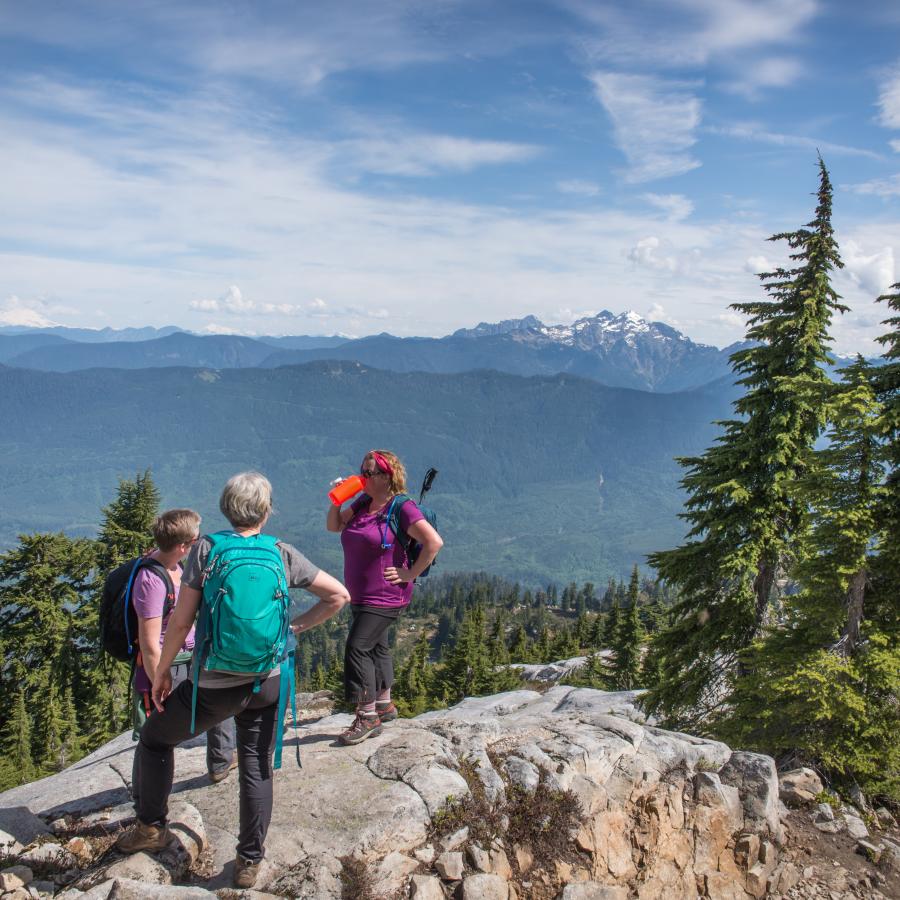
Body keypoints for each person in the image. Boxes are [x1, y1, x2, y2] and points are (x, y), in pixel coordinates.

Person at [116, 472, 350, 889]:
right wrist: (292, 631)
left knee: (154, 739)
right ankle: (248, 862)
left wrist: (163, 671)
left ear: (226, 508)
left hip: (214, 687)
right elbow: (339, 596)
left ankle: (152, 827)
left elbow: (182, 619)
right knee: (257, 767)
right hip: (268, 680)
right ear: (266, 510)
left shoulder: (207, 548)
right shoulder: (281, 552)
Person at [327, 449, 443, 745]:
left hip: (386, 595)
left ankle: (367, 716)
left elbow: (433, 542)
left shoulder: (401, 508)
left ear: (386, 477)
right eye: (361, 471)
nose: (361, 477)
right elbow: (334, 526)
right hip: (362, 594)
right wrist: (337, 500)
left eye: (368, 473)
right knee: (377, 646)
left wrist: (409, 573)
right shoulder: (365, 501)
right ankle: (384, 704)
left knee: (357, 647)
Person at [130, 508, 236, 786]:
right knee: (158, 733)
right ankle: (146, 797)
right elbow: (150, 643)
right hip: (170, 664)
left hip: (193, 655)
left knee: (218, 706)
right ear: (182, 546)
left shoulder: (176, 565)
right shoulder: (151, 581)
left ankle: (220, 764)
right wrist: (158, 680)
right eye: (195, 539)